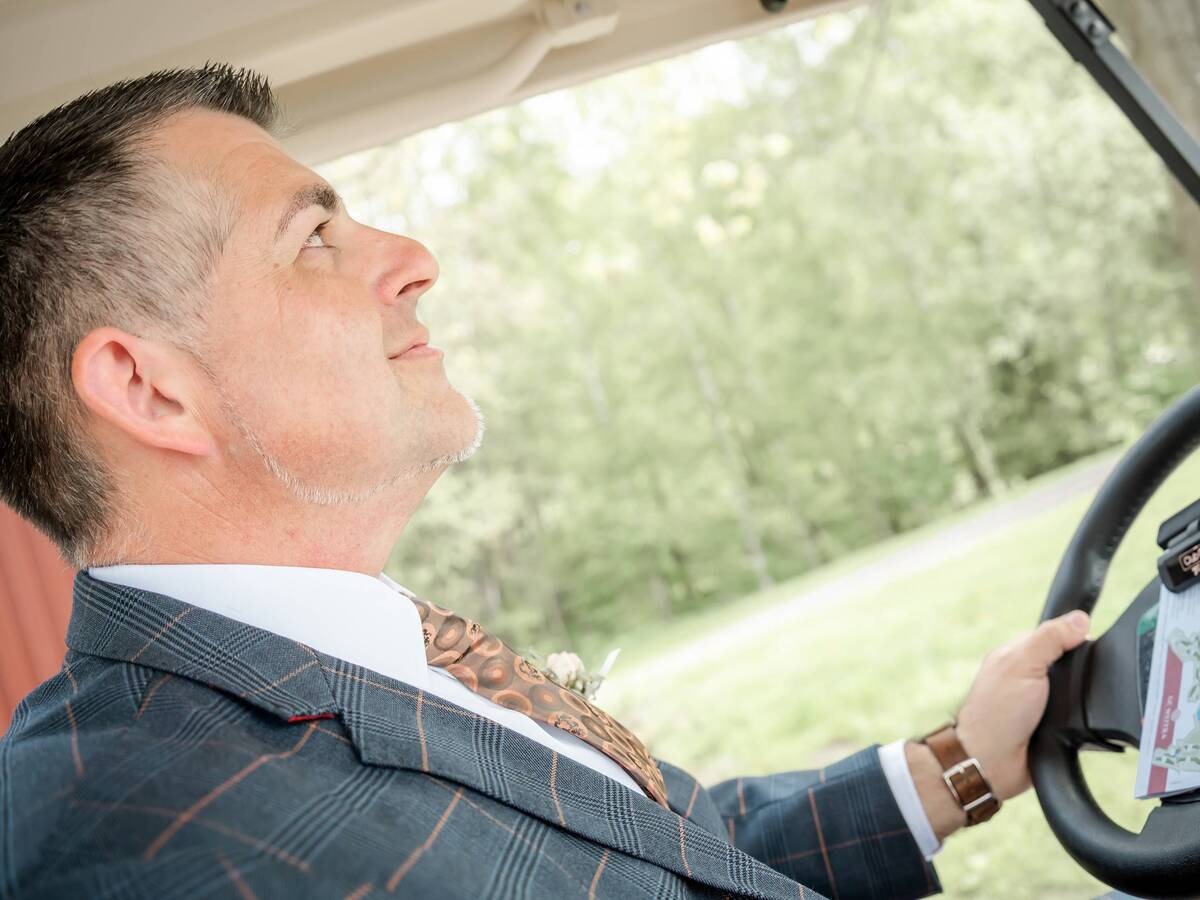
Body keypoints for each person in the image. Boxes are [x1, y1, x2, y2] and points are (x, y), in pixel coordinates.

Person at [0, 65, 1090, 899]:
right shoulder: (134, 847)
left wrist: (962, 762)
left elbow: (669, 854)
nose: (414, 258)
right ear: (147, 390)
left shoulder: (364, 644)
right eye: (315, 237)